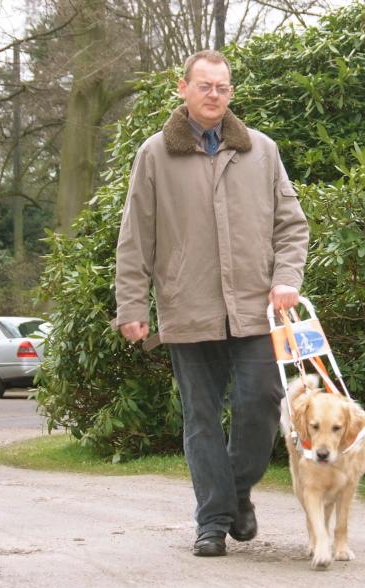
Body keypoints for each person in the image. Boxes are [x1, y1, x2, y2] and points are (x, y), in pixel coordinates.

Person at [112, 49, 309, 557]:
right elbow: (135, 238)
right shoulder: (154, 155)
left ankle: (236, 492)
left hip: (254, 309)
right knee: (200, 418)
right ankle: (213, 522)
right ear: (183, 88)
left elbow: (291, 225)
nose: (213, 95)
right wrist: (132, 307)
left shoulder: (262, 151)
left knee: (260, 404)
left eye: (222, 87)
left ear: (231, 92)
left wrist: (286, 277)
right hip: (187, 307)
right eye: (204, 86)